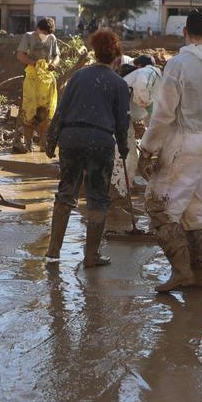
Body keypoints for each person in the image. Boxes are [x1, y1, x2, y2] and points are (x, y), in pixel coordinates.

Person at [138, 10, 202, 292]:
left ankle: (182, 272)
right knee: (196, 210)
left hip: (186, 141)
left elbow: (164, 114)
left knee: (159, 207)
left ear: (185, 32)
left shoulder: (179, 65)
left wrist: (147, 149)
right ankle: (200, 272)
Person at [44, 29, 131, 268]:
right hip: (100, 141)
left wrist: (51, 141)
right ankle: (91, 255)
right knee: (97, 199)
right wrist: (124, 148)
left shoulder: (79, 77)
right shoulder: (119, 84)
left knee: (66, 192)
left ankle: (53, 250)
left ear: (94, 52)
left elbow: (61, 110)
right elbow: (122, 122)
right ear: (116, 57)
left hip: (71, 137)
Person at [14, 17, 59, 154]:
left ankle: (43, 145)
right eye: (43, 32)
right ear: (38, 29)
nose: (45, 35)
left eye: (47, 33)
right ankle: (28, 145)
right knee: (29, 112)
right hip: (32, 79)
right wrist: (34, 63)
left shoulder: (52, 38)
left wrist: (53, 64)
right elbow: (20, 55)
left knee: (46, 113)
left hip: (46, 80)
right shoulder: (28, 37)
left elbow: (57, 56)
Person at [121, 54, 161, 187]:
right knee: (128, 155)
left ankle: (126, 186)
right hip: (119, 115)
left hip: (122, 116)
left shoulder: (137, 74)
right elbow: (142, 92)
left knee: (129, 153)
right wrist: (150, 108)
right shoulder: (150, 71)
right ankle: (122, 189)